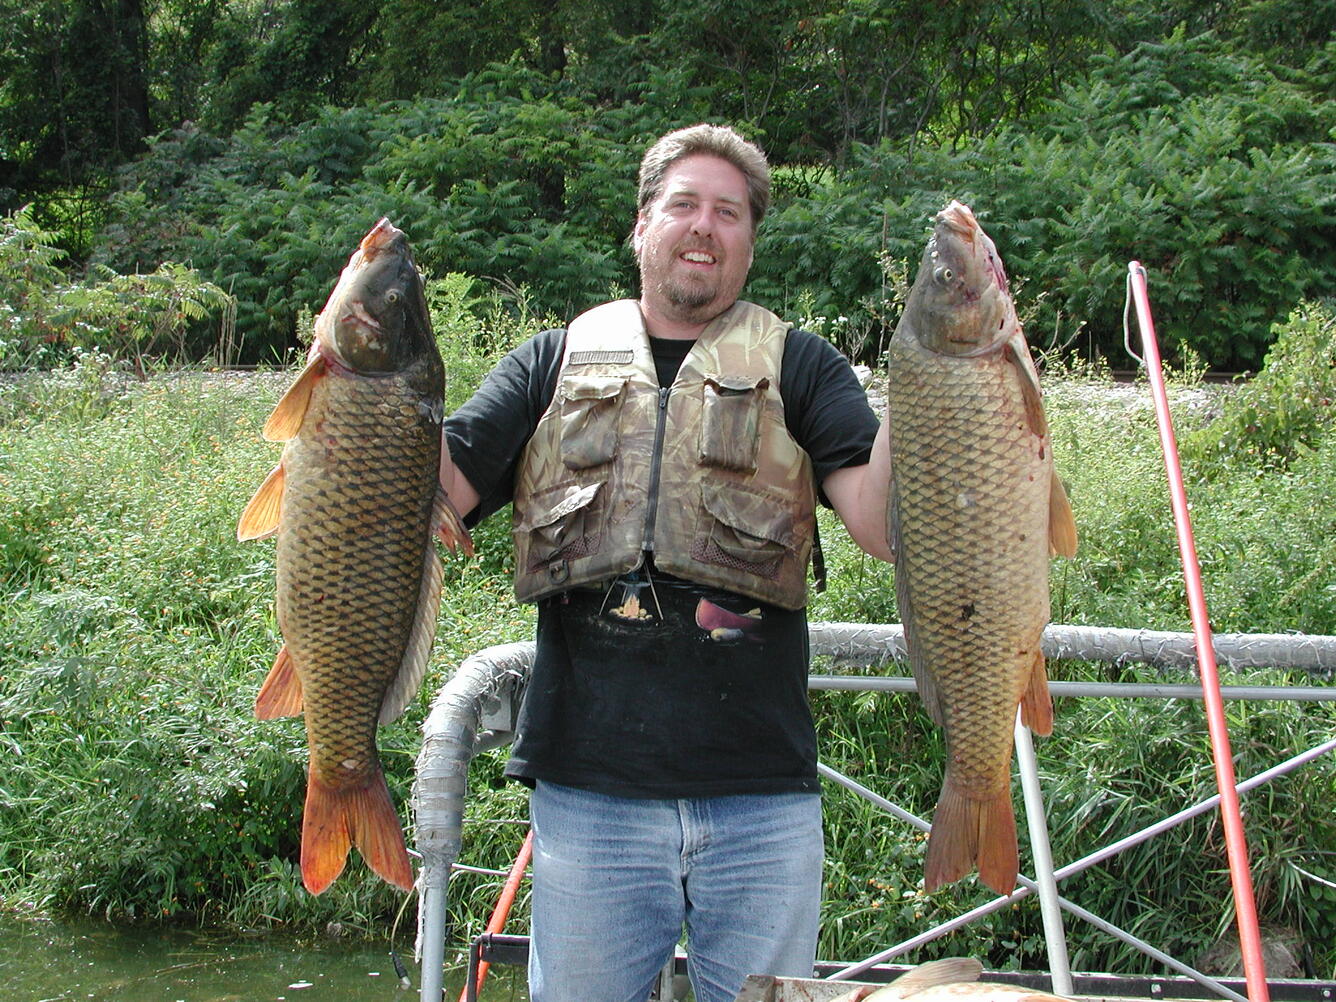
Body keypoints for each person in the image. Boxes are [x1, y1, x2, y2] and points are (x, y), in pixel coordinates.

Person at [438, 123, 892, 1002]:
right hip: (589, 798)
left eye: (728, 212)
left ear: (749, 242)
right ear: (641, 225)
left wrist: (941, 392)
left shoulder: (802, 365)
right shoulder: (549, 361)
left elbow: (880, 524)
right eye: (683, 204)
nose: (703, 227)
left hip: (761, 797)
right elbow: (439, 494)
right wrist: (354, 399)